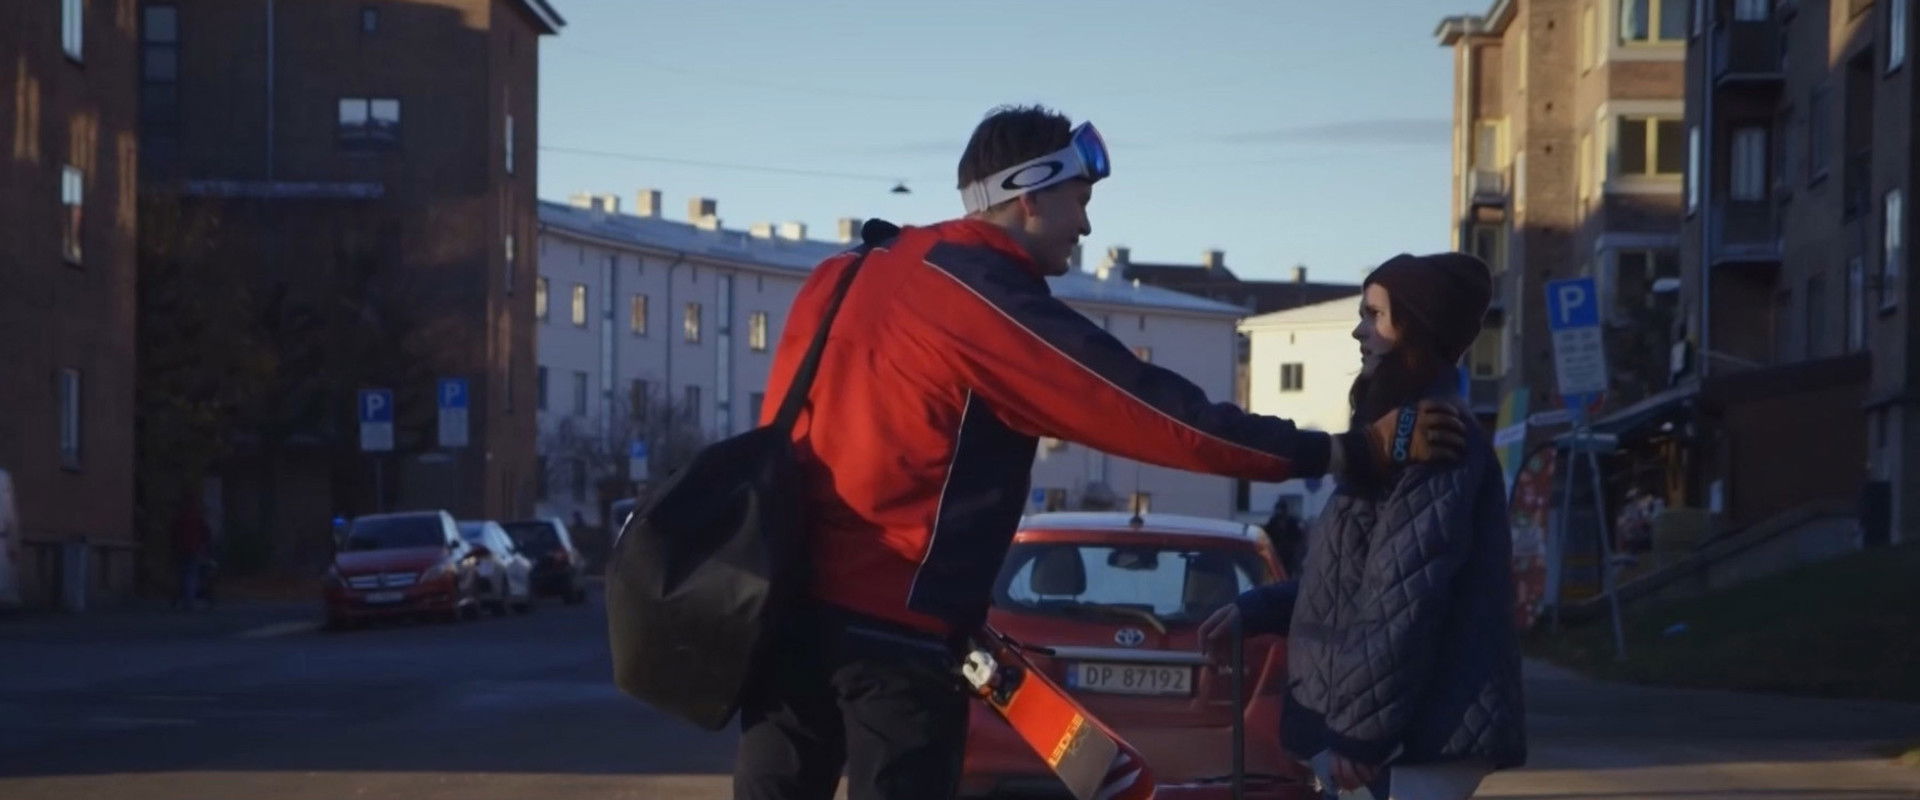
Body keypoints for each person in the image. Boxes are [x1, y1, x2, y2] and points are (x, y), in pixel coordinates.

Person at [737, 105, 1471, 800]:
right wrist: (1339, 452)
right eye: (1079, 199)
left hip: (787, 613)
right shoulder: (980, 298)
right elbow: (1152, 413)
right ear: (1031, 194)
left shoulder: (850, 268)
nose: (1085, 225)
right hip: (894, 638)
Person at [1200, 252, 1528, 800]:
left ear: (1416, 331)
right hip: (1395, 735)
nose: (1359, 331)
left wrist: (1359, 734)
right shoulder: (1397, 433)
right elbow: (1355, 580)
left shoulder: (1435, 435)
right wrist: (1257, 609)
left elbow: (1404, 596)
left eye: (1374, 315)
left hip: (1416, 738)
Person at [1261, 499, 1307, 577]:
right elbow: (1266, 535)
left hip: (1289, 556)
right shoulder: (1272, 523)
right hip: (1277, 555)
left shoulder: (1292, 523)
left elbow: (1299, 538)